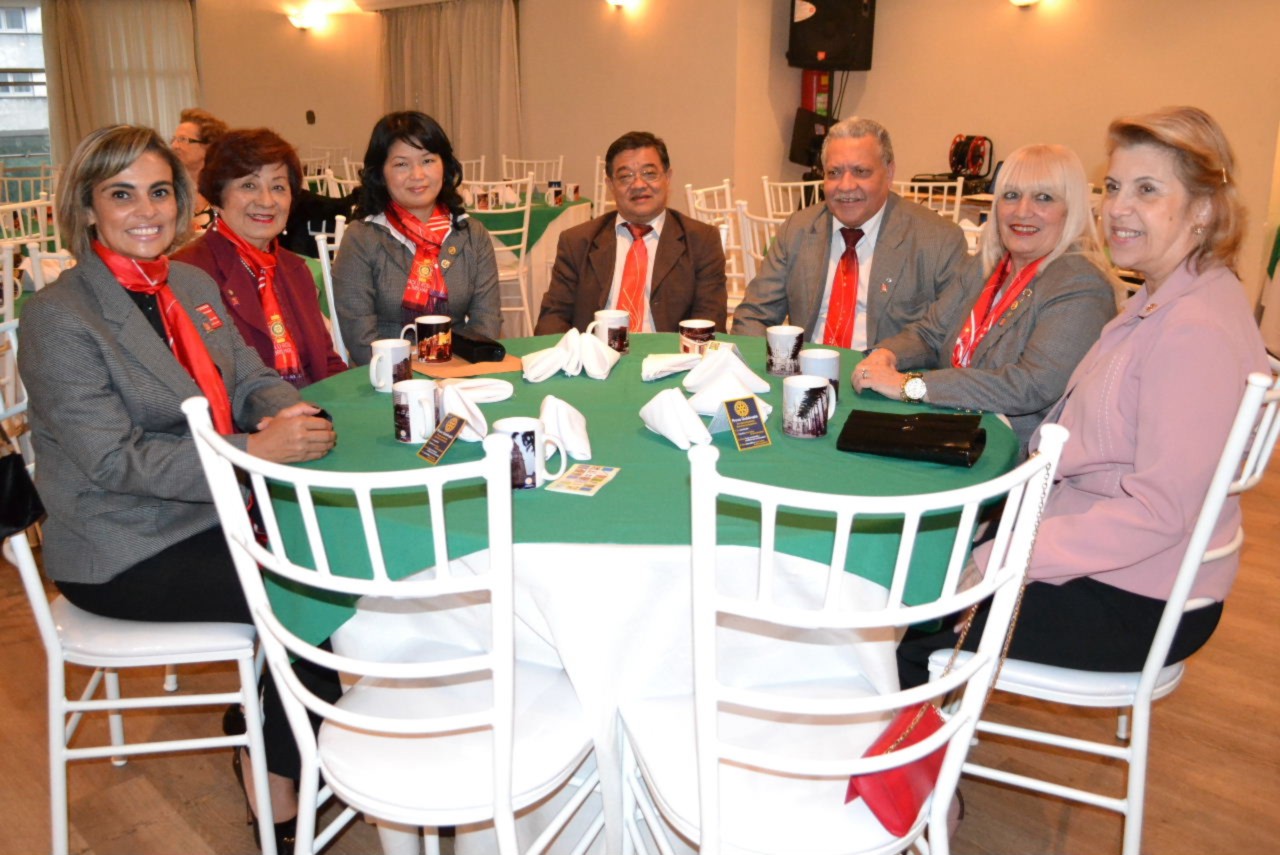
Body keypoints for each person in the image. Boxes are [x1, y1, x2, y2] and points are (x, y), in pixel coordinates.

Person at [19, 124, 340, 853]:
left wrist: (281, 411)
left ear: (182, 200)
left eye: (160, 192)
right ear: (87, 207)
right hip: (122, 544)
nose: (146, 211)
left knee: (335, 560)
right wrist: (250, 450)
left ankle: (274, 728)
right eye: (122, 194)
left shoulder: (189, 285)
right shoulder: (59, 317)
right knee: (308, 595)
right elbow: (114, 461)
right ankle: (275, 776)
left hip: (215, 515)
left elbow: (248, 374)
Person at [897, 107, 1269, 688]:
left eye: (1147, 190)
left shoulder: (1193, 330)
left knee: (908, 626)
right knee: (919, 573)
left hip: (1135, 595)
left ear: (1203, 209)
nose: (1118, 208)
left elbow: (1158, 513)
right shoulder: (1170, 297)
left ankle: (905, 745)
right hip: (1112, 558)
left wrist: (1006, 555)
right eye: (1114, 187)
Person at [853, 144, 1118, 453]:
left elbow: (1029, 386)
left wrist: (909, 386)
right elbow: (930, 334)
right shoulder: (986, 266)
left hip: (1012, 456)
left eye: (1044, 198)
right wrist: (887, 354)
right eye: (1011, 195)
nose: (1022, 211)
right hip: (946, 426)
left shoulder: (1081, 284)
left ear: (1071, 210)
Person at [731, 117, 968, 350]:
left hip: (888, 370)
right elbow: (753, 315)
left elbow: (948, 336)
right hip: (804, 368)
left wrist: (888, 362)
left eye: (860, 171)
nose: (845, 186)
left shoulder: (939, 241)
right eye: (834, 172)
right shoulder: (797, 230)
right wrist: (779, 363)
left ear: (889, 173)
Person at [173, 127, 347, 388]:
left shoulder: (295, 268)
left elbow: (326, 361)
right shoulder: (189, 273)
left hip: (314, 405)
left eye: (278, 187)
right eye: (249, 185)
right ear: (217, 195)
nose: (266, 201)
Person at [333, 111, 500, 365]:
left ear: (444, 166)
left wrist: (453, 373)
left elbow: (486, 321)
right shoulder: (361, 238)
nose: (418, 175)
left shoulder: (471, 235)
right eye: (401, 164)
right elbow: (360, 339)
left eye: (428, 160)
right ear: (381, 173)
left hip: (460, 370)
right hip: (386, 377)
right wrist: (410, 376)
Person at [534, 130, 728, 335]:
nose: (638, 185)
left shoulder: (701, 241)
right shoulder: (577, 242)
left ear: (667, 177)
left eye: (649, 173)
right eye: (626, 176)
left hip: (669, 353)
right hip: (595, 352)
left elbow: (709, 321)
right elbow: (553, 318)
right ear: (610, 185)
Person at [171, 107, 228, 230]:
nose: (174, 146)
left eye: (182, 139)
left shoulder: (224, 190)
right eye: (174, 139)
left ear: (208, 146)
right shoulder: (171, 189)